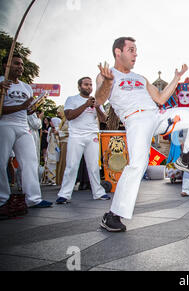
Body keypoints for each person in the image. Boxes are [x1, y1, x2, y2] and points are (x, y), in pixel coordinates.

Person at [95, 37, 189, 232]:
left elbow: (160, 98)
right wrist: (107, 81)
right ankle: (113, 216)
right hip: (136, 120)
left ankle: (186, 157)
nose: (135, 54)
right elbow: (99, 98)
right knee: (138, 165)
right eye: (131, 50)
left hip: (158, 116)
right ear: (118, 52)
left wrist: (176, 77)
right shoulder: (108, 75)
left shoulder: (141, 78)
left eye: (136, 50)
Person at [0, 54, 52, 213]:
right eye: (16, 64)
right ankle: (3, 199)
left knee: (31, 161)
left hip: (23, 126)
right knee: (1, 162)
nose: (20, 67)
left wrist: (34, 106)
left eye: (21, 64)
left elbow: (28, 110)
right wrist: (22, 106)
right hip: (5, 124)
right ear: (6, 65)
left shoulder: (26, 87)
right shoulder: (1, 83)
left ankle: (33, 198)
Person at [56, 77, 110, 204]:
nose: (89, 87)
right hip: (76, 136)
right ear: (79, 86)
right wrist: (85, 105)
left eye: (90, 85)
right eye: (86, 84)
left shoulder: (96, 101)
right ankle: (64, 194)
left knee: (94, 166)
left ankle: (98, 192)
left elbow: (104, 120)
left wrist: (97, 107)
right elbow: (69, 116)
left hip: (92, 136)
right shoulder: (72, 99)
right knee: (72, 165)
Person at [55, 105, 69, 186]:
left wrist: (59, 133)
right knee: (61, 162)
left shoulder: (69, 120)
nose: (59, 114)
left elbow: (69, 131)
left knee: (64, 162)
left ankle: (65, 182)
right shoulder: (63, 121)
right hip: (61, 142)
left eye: (59, 112)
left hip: (66, 143)